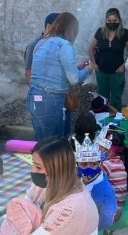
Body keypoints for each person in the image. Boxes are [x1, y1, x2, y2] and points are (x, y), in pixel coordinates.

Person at [28, 12, 93, 140]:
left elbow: (49, 71)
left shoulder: (41, 43)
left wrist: (76, 68)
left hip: (33, 98)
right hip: (51, 100)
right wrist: (87, 70)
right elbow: (74, 79)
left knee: (42, 145)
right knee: (55, 145)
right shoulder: (64, 45)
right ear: (71, 29)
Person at [88, 8, 128, 111]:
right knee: (103, 99)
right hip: (101, 72)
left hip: (117, 73)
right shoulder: (100, 32)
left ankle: (117, 122)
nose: (112, 23)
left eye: (114, 21)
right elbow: (91, 48)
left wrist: (123, 66)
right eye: (109, 21)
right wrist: (94, 64)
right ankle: (104, 120)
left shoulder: (125, 33)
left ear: (119, 21)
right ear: (106, 21)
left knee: (116, 99)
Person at [75, 133, 117, 230]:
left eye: (93, 164)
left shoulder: (102, 189)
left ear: (100, 164)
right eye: (83, 165)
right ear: (77, 165)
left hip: (95, 226)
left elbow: (105, 219)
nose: (89, 169)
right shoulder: (82, 179)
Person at [97, 128, 127, 220]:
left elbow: (93, 181)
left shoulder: (107, 165)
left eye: (100, 148)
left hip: (111, 213)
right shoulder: (120, 163)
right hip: (120, 209)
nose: (97, 150)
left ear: (109, 152)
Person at [25, 12, 60, 85]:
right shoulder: (33, 46)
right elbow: (29, 73)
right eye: (58, 28)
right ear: (49, 27)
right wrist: (37, 93)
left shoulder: (57, 45)